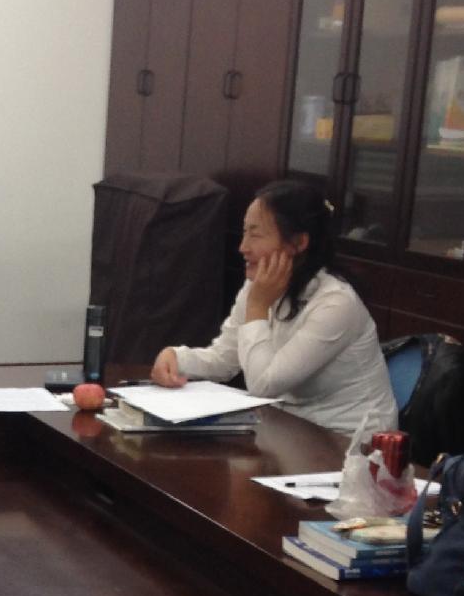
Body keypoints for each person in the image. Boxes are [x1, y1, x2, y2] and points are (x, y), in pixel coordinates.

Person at [151, 180, 397, 436]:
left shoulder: (336, 303)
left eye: (255, 235)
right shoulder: (259, 285)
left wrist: (258, 307)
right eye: (244, 232)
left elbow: (264, 385)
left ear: (298, 243)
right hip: (294, 429)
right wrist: (177, 358)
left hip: (352, 441)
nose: (243, 247)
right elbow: (225, 359)